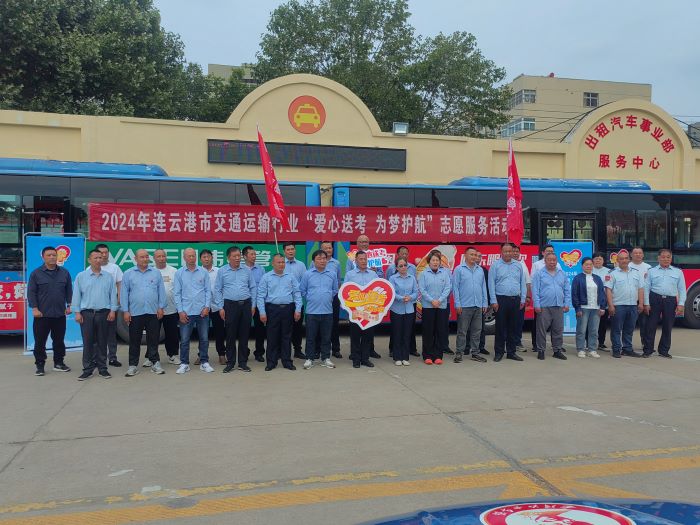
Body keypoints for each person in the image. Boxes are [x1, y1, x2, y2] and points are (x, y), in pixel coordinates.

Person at [27, 246, 73, 376]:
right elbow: (31, 292)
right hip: (42, 315)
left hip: (59, 314)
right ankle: (40, 365)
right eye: (49, 255)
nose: (52, 257)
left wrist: (69, 305)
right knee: (40, 341)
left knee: (59, 340)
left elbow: (69, 290)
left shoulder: (64, 272)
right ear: (43, 257)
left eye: (54, 255)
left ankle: (59, 363)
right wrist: (35, 308)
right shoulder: (36, 273)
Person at [73, 249, 118, 380]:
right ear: (89, 260)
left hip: (104, 313)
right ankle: (88, 369)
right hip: (86, 314)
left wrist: (113, 310)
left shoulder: (108, 277)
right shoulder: (81, 276)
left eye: (100, 258)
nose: (99, 260)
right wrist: (77, 312)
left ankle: (103, 368)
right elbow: (76, 295)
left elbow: (112, 295)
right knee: (88, 342)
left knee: (102, 342)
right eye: (96, 258)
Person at [121, 249, 167, 377]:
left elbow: (161, 291)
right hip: (135, 313)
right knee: (134, 340)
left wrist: (161, 307)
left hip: (153, 312)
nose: (145, 259)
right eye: (142, 257)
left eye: (147, 257)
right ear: (135, 259)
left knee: (153, 339)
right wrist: (125, 311)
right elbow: (124, 293)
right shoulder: (128, 273)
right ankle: (133, 365)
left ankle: (155, 363)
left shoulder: (155, 273)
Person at [214, 246, 257, 373]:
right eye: (234, 256)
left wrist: (253, 305)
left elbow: (253, 287)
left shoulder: (246, 270)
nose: (237, 258)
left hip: (246, 305)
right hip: (230, 305)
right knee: (230, 335)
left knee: (244, 334)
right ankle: (231, 362)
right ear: (228, 258)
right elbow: (217, 290)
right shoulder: (222, 271)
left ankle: (242, 362)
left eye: (239, 255)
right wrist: (220, 307)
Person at [257, 254, 302, 371]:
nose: (281, 264)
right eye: (279, 262)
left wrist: (298, 309)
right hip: (272, 309)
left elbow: (297, 294)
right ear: (273, 263)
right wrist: (262, 312)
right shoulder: (266, 277)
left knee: (287, 336)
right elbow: (260, 296)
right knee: (272, 336)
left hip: (288, 309)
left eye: (283, 262)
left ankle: (287, 361)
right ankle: (271, 362)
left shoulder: (291, 276)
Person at [173, 248, 213, 374]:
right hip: (186, 312)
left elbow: (208, 291)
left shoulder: (203, 272)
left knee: (204, 338)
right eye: (189, 256)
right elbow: (177, 293)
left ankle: (204, 362)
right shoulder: (179, 273)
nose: (192, 258)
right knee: (185, 339)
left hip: (202, 312)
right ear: (184, 258)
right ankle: (184, 363)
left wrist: (207, 307)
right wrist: (180, 311)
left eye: (193, 256)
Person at [346, 235, 384, 360]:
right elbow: (347, 284)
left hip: (369, 304)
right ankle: (355, 355)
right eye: (361, 242)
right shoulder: (351, 259)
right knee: (355, 331)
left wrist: (375, 271)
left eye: (366, 241)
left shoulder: (374, 258)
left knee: (369, 330)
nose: (363, 243)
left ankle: (368, 353)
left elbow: (381, 277)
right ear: (357, 244)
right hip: (356, 304)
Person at [643, 249, 686, 358]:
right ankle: (648, 350)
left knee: (668, 326)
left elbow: (682, 289)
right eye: (663, 257)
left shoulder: (678, 272)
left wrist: (681, 304)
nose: (666, 259)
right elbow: (646, 288)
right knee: (651, 325)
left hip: (670, 300)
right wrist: (646, 303)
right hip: (654, 298)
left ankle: (664, 350)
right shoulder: (651, 271)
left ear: (671, 259)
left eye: (668, 257)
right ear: (658, 258)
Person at [489, 243, 527, 362]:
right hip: (501, 300)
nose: (508, 253)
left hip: (515, 300)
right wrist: (493, 300)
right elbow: (491, 284)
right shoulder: (495, 265)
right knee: (500, 327)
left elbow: (522, 282)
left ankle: (511, 352)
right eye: (505, 251)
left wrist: (523, 299)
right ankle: (499, 352)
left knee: (513, 327)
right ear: (501, 252)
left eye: (510, 251)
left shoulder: (518, 265)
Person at [300, 250, 338, 369]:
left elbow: (335, 290)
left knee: (326, 337)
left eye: (324, 258)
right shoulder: (307, 274)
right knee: (311, 337)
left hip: (327, 311)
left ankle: (326, 358)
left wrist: (328, 297)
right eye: (319, 258)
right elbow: (302, 290)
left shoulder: (332, 274)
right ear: (313, 261)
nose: (322, 261)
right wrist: (311, 298)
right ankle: (309, 358)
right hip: (312, 312)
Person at [605, 250, 644, 358]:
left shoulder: (636, 273)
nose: (624, 260)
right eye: (621, 259)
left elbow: (640, 289)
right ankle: (616, 349)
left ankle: (627, 349)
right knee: (616, 329)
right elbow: (608, 290)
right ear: (617, 260)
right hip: (618, 306)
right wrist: (611, 305)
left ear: (629, 259)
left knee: (629, 329)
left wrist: (641, 303)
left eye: (626, 258)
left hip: (633, 305)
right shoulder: (612, 273)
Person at [452, 246, 488, 364]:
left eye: (475, 255)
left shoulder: (480, 270)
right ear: (465, 255)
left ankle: (475, 353)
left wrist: (484, 303)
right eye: (471, 254)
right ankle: (459, 353)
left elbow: (483, 287)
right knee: (462, 331)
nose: (474, 257)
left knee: (477, 331)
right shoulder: (459, 269)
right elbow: (455, 288)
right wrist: (457, 304)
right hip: (464, 305)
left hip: (478, 305)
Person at [532, 252, 571, 360]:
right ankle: (541, 350)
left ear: (556, 261)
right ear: (545, 261)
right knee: (541, 330)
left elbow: (567, 290)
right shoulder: (539, 274)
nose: (552, 262)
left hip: (559, 306)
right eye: (549, 260)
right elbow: (535, 290)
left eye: (554, 260)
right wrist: (537, 304)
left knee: (558, 330)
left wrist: (567, 303)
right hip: (544, 306)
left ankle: (557, 350)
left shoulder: (562, 273)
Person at [344, 251, 378, 368]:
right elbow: (345, 291)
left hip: (369, 310)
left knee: (368, 335)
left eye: (365, 259)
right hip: (355, 311)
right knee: (355, 335)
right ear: (356, 261)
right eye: (361, 259)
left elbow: (378, 290)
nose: (363, 261)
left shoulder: (373, 274)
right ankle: (356, 359)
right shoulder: (350, 275)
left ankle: (365, 358)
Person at [418, 251, 452, 365]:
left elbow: (447, 288)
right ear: (429, 261)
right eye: (433, 260)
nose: (435, 262)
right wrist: (432, 300)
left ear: (440, 262)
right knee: (428, 331)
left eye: (437, 260)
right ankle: (427, 355)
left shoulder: (444, 273)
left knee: (440, 330)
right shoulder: (424, 274)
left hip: (441, 306)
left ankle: (438, 355)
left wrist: (439, 300)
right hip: (428, 306)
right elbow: (422, 289)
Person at [386, 245, 419, 358]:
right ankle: (395, 353)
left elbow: (416, 290)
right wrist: (401, 298)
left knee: (408, 330)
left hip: (410, 305)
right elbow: (389, 289)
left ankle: (407, 353)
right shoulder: (391, 272)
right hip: (397, 306)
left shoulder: (412, 269)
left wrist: (410, 297)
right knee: (397, 331)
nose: (404, 267)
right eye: (402, 253)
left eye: (406, 253)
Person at [95, 243, 123, 367]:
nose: (104, 255)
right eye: (101, 253)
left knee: (111, 333)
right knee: (97, 334)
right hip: (96, 307)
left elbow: (120, 284)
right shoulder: (90, 269)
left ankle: (112, 358)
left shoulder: (114, 268)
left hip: (111, 306)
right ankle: (97, 358)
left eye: (106, 252)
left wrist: (119, 299)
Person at [572, 257, 606, 359]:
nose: (588, 266)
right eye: (586, 264)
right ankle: (581, 349)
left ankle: (592, 349)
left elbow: (601, 293)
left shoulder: (597, 278)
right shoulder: (577, 278)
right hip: (583, 308)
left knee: (594, 330)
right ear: (582, 266)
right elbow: (574, 294)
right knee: (581, 330)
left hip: (596, 308)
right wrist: (577, 308)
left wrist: (602, 307)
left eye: (590, 264)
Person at [530, 244, 560, 350]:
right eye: (548, 251)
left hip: (555, 302)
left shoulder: (558, 265)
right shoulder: (537, 265)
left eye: (552, 251)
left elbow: (562, 282)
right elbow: (533, 283)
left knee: (556, 326)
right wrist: (536, 301)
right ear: (543, 253)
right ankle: (537, 346)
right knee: (539, 325)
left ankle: (556, 346)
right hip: (542, 301)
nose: (550, 253)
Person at [153, 249, 180, 365]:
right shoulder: (151, 271)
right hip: (154, 310)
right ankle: (151, 357)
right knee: (153, 334)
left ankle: (172, 355)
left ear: (166, 257)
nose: (161, 258)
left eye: (163, 256)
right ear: (154, 258)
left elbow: (178, 290)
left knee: (172, 334)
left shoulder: (174, 271)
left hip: (171, 308)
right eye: (158, 256)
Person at [200, 249, 225, 365]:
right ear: (201, 259)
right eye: (204, 257)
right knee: (202, 333)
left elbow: (222, 288)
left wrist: (221, 306)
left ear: (212, 258)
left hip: (216, 306)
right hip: (202, 307)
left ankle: (221, 354)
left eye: (208, 256)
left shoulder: (219, 271)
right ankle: (201, 355)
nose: (206, 259)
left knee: (219, 332)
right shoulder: (198, 271)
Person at [283, 242, 307, 359]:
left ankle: (298, 350)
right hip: (284, 302)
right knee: (284, 328)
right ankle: (283, 351)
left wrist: (297, 292)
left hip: (297, 301)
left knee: (297, 328)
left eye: (292, 249)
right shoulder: (281, 263)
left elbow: (304, 282)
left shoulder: (301, 265)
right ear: (284, 251)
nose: (291, 251)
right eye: (288, 249)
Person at [243, 246, 267, 363]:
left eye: (255, 254)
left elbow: (264, 286)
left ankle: (259, 353)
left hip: (258, 303)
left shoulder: (261, 269)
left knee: (260, 330)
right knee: (244, 329)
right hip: (245, 304)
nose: (254, 256)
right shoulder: (241, 269)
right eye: (251, 254)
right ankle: (244, 352)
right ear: (245, 256)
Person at [320, 241, 343, 359]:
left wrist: (334, 294)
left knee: (334, 323)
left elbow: (338, 281)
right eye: (325, 248)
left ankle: (336, 349)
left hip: (333, 297)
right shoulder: (315, 262)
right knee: (320, 323)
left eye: (330, 248)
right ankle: (319, 349)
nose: (328, 250)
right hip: (320, 297)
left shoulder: (336, 263)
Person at [629, 246, 652, 354]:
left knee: (645, 324)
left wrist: (646, 302)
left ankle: (645, 344)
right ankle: (627, 345)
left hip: (644, 299)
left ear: (643, 255)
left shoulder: (648, 268)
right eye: (635, 253)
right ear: (631, 255)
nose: (638, 255)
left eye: (640, 253)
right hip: (630, 300)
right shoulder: (627, 266)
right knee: (629, 324)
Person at [512, 245, 531, 351]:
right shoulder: (505, 264)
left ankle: (517, 343)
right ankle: (507, 343)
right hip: (509, 298)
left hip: (520, 298)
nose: (515, 253)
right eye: (513, 251)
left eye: (517, 251)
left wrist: (528, 296)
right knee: (508, 322)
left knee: (519, 322)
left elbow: (527, 282)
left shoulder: (522, 264)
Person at [591, 252, 611, 352]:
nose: (598, 260)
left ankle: (601, 343)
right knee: (590, 324)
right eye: (596, 259)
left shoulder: (608, 271)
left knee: (602, 324)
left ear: (603, 260)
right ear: (592, 260)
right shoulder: (589, 270)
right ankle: (589, 342)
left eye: (600, 259)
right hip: (591, 302)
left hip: (604, 302)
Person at [474, 249, 491, 356]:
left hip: (481, 304)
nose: (477, 258)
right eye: (476, 256)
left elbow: (487, 288)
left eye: (479, 256)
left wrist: (487, 302)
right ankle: (467, 347)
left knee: (481, 327)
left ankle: (481, 347)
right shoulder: (462, 269)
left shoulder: (483, 270)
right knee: (467, 327)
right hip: (468, 303)